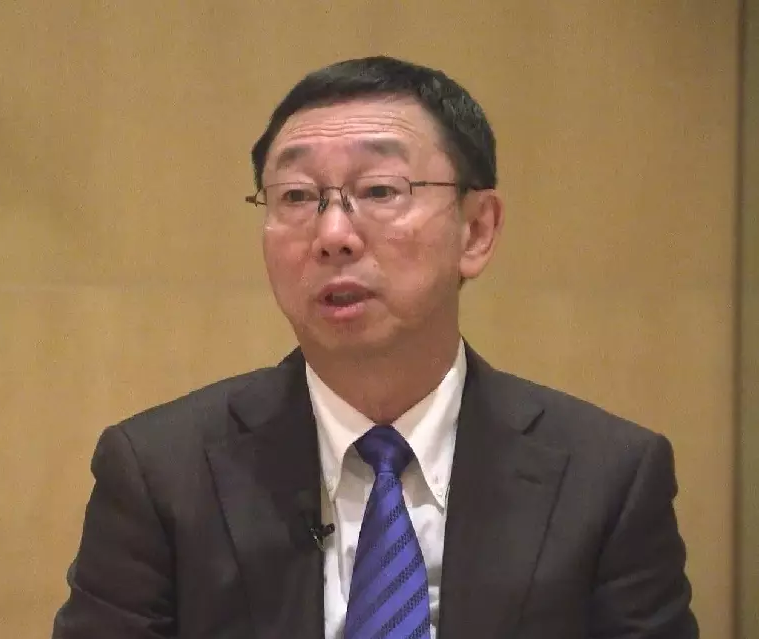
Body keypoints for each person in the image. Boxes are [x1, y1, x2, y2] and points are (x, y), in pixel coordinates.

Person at [51, 55, 698, 639]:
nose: (333, 233)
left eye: (380, 191)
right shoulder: (161, 473)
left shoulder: (606, 479)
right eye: (297, 196)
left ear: (477, 230)